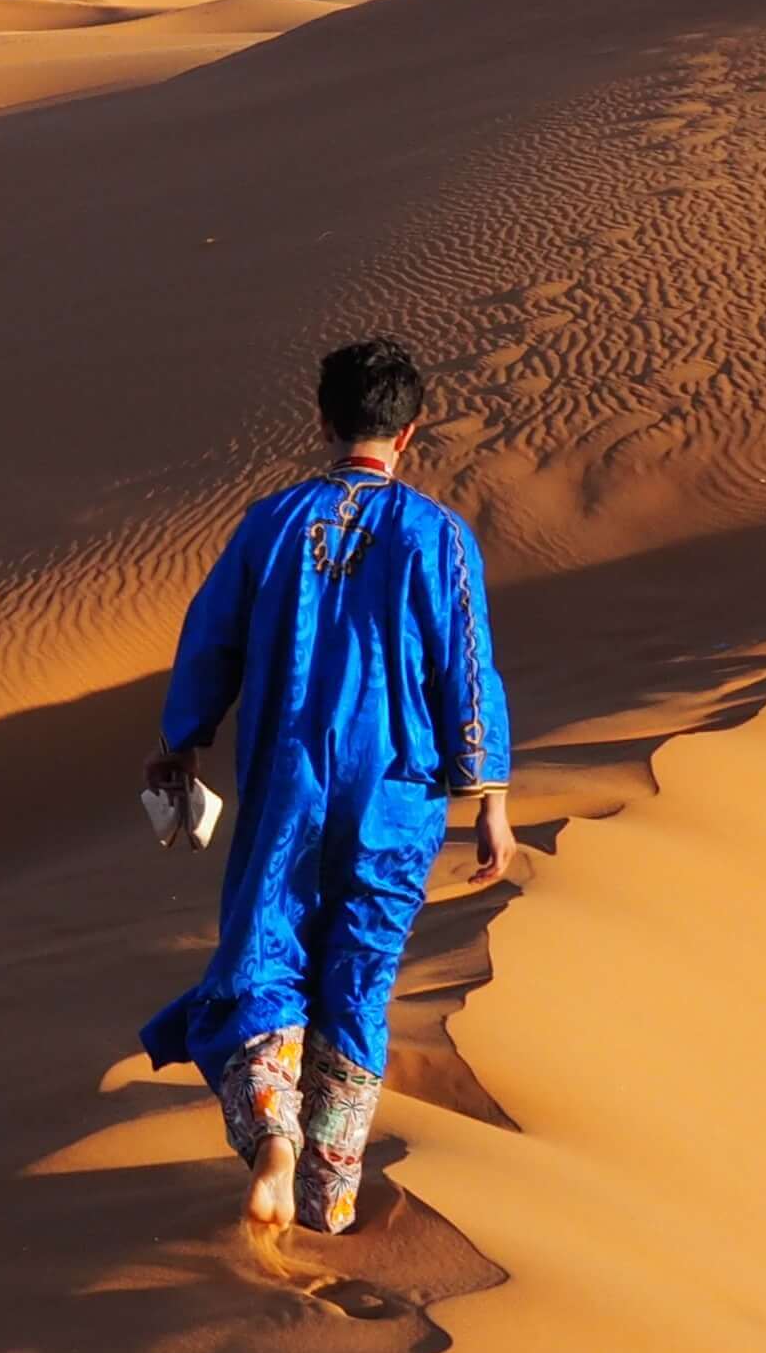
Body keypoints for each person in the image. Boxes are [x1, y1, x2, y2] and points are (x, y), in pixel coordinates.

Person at [139, 337, 515, 1235]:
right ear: (410, 432)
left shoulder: (270, 522)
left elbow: (212, 639)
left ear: (323, 419)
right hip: (396, 797)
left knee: (264, 955)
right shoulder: (438, 536)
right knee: (360, 979)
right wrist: (490, 795)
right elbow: (467, 669)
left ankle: (273, 1136)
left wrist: (181, 745)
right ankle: (329, 1205)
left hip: (287, 785)